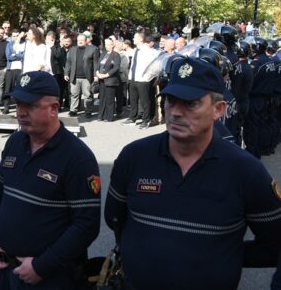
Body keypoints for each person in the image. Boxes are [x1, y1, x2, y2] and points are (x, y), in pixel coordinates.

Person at [104, 57, 281, 290]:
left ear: (219, 109)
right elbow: (115, 218)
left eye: (190, 104)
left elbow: (274, 245)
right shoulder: (134, 157)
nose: (176, 112)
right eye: (170, 101)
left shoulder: (246, 171)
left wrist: (221, 255)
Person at [0, 71, 101, 288]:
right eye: (18, 104)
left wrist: (43, 266)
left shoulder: (77, 157)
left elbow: (86, 224)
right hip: (8, 270)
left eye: (30, 106)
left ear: (54, 109)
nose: (20, 112)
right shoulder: (15, 143)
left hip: (50, 278)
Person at [64, 34, 99, 117]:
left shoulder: (93, 49)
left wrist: (95, 75)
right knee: (74, 94)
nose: (80, 41)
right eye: (78, 40)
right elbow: (68, 62)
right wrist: (66, 73)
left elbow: (96, 63)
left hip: (87, 77)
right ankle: (73, 110)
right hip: (74, 77)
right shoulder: (72, 49)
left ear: (86, 41)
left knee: (88, 95)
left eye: (82, 40)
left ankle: (88, 111)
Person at [95, 38, 121, 122]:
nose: (106, 46)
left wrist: (106, 75)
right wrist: (97, 73)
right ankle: (101, 116)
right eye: (105, 44)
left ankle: (109, 117)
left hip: (110, 80)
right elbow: (98, 64)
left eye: (108, 44)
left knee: (109, 99)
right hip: (102, 79)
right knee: (102, 98)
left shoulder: (116, 55)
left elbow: (116, 67)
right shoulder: (103, 53)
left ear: (112, 45)